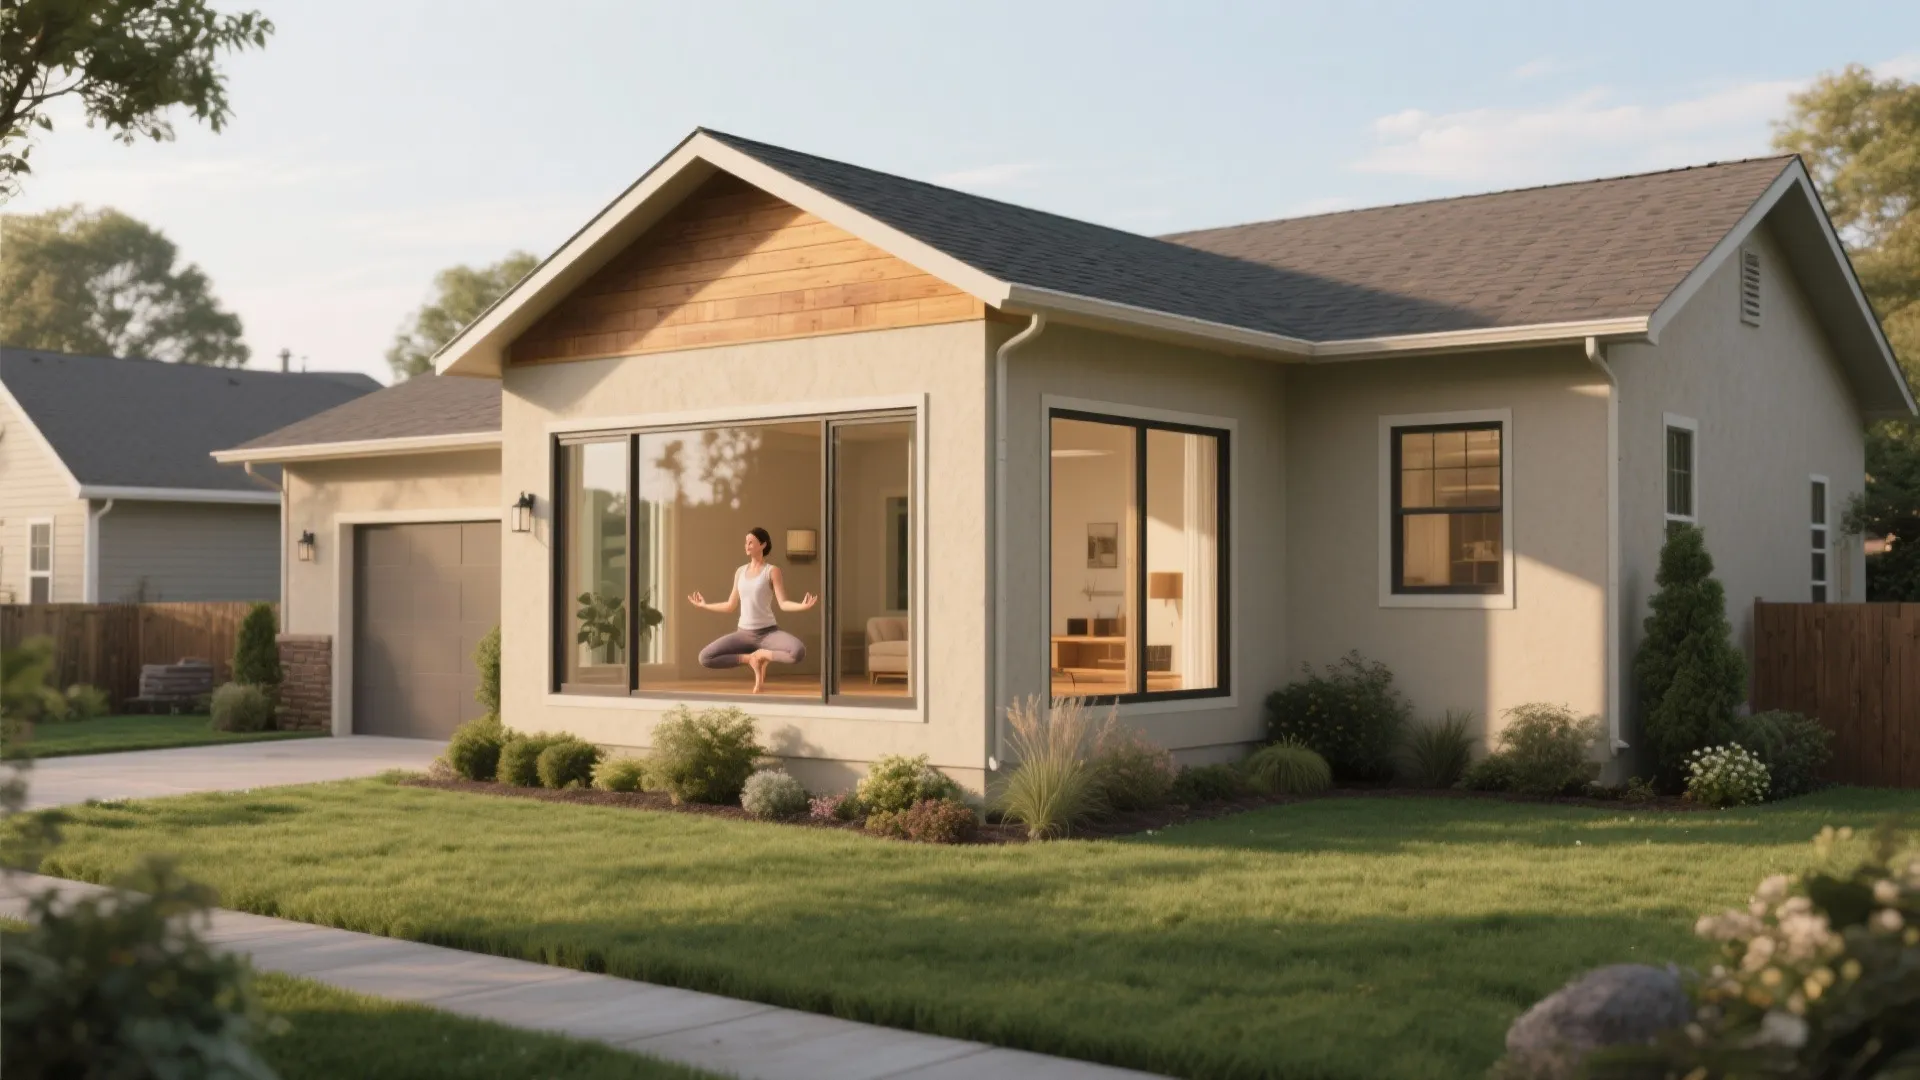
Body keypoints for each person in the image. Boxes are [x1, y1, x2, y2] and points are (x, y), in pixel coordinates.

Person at [688, 527, 817, 693]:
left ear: (762, 545)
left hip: (769, 634)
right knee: (705, 657)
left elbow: (783, 603)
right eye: (746, 542)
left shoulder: (771, 571)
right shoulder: (740, 571)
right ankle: (751, 659)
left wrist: (802, 606)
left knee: (798, 652)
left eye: (751, 542)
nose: (747, 545)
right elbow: (730, 605)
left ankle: (763, 655)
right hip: (744, 634)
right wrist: (704, 605)